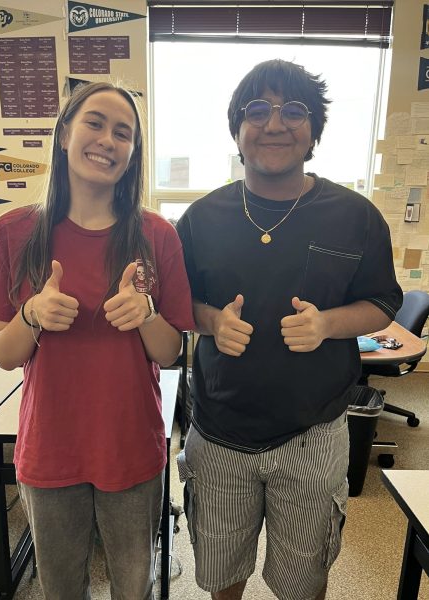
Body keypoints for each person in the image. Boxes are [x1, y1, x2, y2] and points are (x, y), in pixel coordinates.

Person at [176, 59, 402, 600]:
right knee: (221, 574)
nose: (274, 124)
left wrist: (328, 323)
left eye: (293, 110)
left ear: (313, 132)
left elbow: (383, 301)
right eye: (257, 110)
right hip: (218, 430)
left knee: (304, 583)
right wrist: (210, 322)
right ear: (237, 130)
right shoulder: (201, 219)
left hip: (313, 432)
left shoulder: (356, 216)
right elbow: (177, 301)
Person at [0, 81, 194, 600]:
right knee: (61, 588)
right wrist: (32, 313)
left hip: (131, 443)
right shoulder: (11, 231)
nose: (107, 140)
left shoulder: (157, 234)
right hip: (50, 446)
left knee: (132, 585)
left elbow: (170, 353)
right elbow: (4, 356)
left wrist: (143, 314)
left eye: (124, 133)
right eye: (94, 123)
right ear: (64, 135)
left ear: (133, 154)